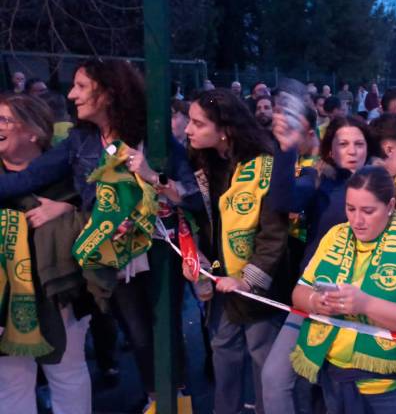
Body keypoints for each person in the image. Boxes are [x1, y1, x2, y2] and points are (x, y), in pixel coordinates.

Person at [0, 58, 203, 409]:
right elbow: (26, 179)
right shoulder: (80, 140)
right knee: (137, 334)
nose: (72, 94)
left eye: (80, 86)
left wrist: (155, 177)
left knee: (163, 330)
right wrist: (73, 211)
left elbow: (193, 197)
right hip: (112, 254)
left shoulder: (152, 137)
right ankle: (159, 399)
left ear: (108, 93)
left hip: (157, 248)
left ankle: (175, 401)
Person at [291, 165, 396, 414]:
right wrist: (315, 302)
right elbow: (298, 293)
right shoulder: (335, 235)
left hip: (392, 386)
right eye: (350, 209)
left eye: (368, 211)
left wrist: (366, 304)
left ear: (390, 205)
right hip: (334, 375)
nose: (357, 221)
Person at [183, 88, 289, 414]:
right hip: (219, 279)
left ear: (225, 129)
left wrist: (247, 279)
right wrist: (198, 258)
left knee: (262, 359)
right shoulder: (203, 160)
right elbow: (201, 215)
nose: (188, 130)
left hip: (259, 286)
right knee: (223, 351)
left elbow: (274, 235)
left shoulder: (267, 165)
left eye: (198, 124)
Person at [262, 115, 373, 414]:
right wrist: (285, 150)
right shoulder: (317, 179)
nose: (352, 151)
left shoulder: (382, 184)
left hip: (363, 304)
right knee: (274, 379)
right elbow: (282, 201)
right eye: (343, 144)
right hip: (313, 297)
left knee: (337, 395)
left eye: (359, 144)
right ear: (330, 150)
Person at [0, 94, 92, 414]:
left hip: (60, 292)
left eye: (4, 120)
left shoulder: (71, 173)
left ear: (33, 131)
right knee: (11, 379)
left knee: (66, 371)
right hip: (5, 303)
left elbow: (103, 215)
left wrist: (68, 208)